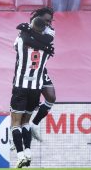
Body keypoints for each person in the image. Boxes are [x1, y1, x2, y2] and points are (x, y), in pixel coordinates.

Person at [11, 17, 54, 168]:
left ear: (31, 26)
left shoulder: (21, 41)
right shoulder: (47, 47)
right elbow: (46, 38)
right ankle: (28, 152)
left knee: (15, 123)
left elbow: (20, 38)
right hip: (35, 88)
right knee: (25, 122)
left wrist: (27, 29)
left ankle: (20, 155)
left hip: (20, 86)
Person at [16, 7, 56, 142]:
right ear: (37, 17)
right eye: (46, 21)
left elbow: (46, 41)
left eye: (50, 21)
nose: (48, 24)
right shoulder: (26, 29)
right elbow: (26, 42)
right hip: (26, 70)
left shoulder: (50, 30)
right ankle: (16, 136)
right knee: (25, 107)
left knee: (51, 97)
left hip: (40, 70)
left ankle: (35, 124)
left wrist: (31, 34)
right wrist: (44, 47)